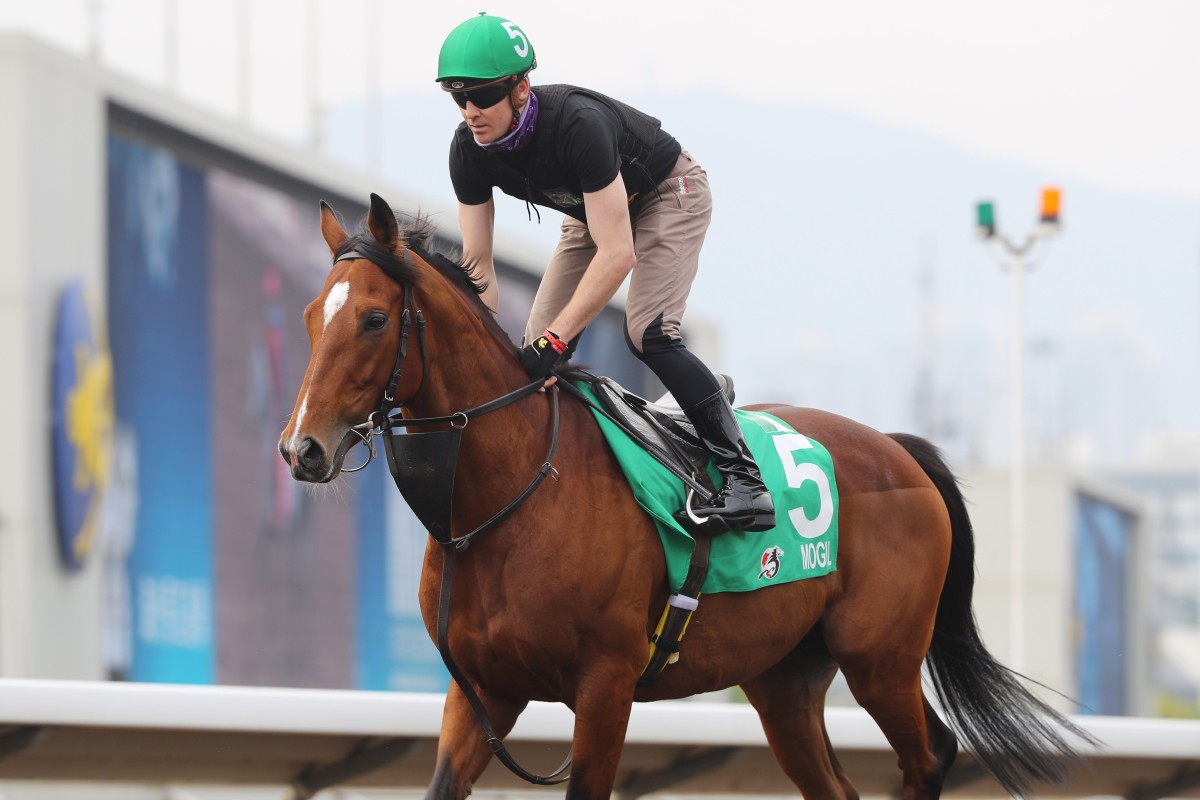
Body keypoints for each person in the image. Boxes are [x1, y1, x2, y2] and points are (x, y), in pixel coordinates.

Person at [435, 13, 775, 535]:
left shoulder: (577, 124)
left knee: (647, 334)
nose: (470, 112)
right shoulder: (468, 151)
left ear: (520, 88)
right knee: (533, 360)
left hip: (667, 193)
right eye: (458, 98)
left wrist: (555, 339)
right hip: (593, 211)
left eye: (481, 96)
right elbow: (478, 267)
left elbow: (618, 254)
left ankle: (745, 480)